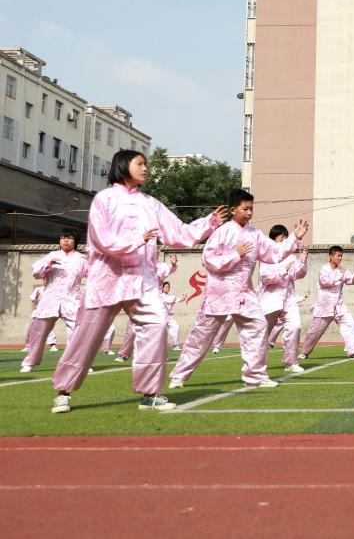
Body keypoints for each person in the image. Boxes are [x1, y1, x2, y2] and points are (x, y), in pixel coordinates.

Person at [49, 150, 227, 414]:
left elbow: (178, 232)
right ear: (123, 165)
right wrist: (137, 241)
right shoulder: (104, 199)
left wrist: (209, 223)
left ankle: (150, 393)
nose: (146, 169)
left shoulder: (151, 204)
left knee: (156, 326)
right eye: (140, 164)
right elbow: (101, 239)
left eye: (146, 165)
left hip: (142, 280)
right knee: (87, 335)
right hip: (106, 278)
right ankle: (63, 391)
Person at [169, 189, 307, 389]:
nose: (250, 212)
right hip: (220, 293)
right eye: (245, 208)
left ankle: (255, 376)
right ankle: (178, 377)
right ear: (234, 209)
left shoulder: (255, 235)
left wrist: (294, 237)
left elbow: (274, 252)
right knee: (202, 336)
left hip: (245, 293)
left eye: (252, 208)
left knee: (258, 327)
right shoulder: (221, 232)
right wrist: (235, 254)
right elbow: (209, 260)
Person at [20, 230, 87, 373]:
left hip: (71, 299)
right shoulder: (51, 256)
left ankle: (75, 363)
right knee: (39, 332)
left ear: (75, 241)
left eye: (69, 238)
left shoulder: (81, 259)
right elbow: (37, 274)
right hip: (50, 299)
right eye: (63, 238)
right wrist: (48, 263)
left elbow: (92, 275)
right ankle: (30, 362)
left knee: (76, 331)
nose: (66, 240)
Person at [257, 225, 309, 373]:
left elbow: (297, 274)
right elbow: (265, 278)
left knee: (295, 327)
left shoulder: (291, 256)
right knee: (262, 334)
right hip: (270, 299)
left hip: (288, 298)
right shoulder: (266, 255)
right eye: (281, 237)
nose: (284, 239)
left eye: (286, 237)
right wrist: (283, 270)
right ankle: (257, 366)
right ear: (274, 238)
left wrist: (303, 260)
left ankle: (291, 362)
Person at [302, 246, 354, 360]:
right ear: (331, 257)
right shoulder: (324, 269)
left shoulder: (342, 269)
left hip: (338, 305)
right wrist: (341, 275)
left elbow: (351, 281)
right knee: (315, 332)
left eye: (341, 256)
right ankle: (305, 352)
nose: (340, 258)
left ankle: (353, 352)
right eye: (338, 256)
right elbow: (325, 282)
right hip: (324, 306)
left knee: (350, 324)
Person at [113, 254, 178, 362]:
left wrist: (173, 263)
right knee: (132, 327)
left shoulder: (161, 266)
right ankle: (124, 353)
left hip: (155, 299)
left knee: (159, 326)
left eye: (156, 248)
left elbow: (170, 269)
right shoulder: (141, 263)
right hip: (139, 297)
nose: (153, 250)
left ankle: (161, 355)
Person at [160, 281, 187, 351]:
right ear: (162, 288)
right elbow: (171, 299)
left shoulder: (170, 296)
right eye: (166, 287)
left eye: (168, 287)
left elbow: (178, 300)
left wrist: (183, 298)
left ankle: (175, 345)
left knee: (176, 327)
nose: (168, 288)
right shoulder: (160, 296)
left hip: (168, 316)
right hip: (160, 317)